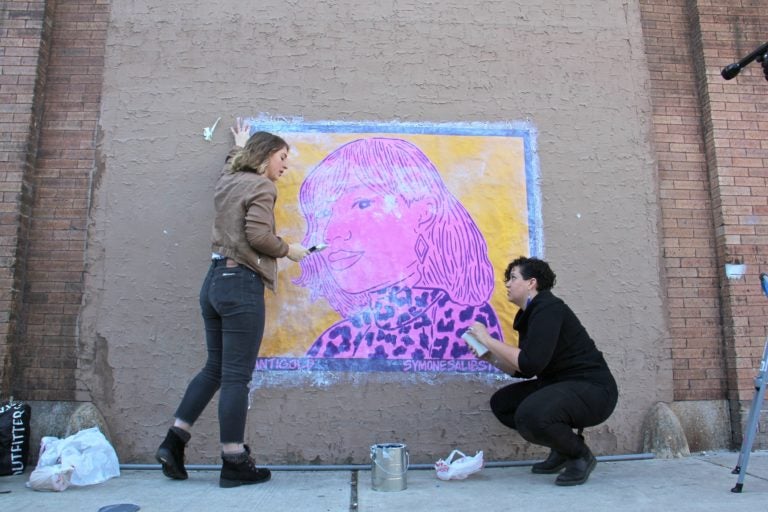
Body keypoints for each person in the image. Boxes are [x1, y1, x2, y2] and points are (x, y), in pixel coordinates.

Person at [155, 118, 309, 488]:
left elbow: (229, 168)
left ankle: (173, 441)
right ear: (266, 157)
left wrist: (238, 146)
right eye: (282, 157)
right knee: (236, 377)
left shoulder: (229, 182)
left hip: (213, 284)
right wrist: (290, 250)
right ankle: (234, 459)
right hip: (240, 285)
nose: (285, 166)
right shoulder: (261, 186)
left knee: (215, 369)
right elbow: (257, 234)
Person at [294, 137, 503, 361]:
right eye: (324, 214)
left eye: (362, 204)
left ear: (424, 212)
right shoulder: (339, 340)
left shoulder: (462, 319)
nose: (331, 232)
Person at [467, 256, 618, 486]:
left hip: (594, 390)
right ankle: (561, 448)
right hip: (562, 387)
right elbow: (524, 370)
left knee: (531, 413)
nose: (507, 284)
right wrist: (488, 356)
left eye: (513, 278)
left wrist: (487, 339)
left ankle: (579, 455)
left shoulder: (548, 308)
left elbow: (529, 363)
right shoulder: (530, 314)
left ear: (531, 283)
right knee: (504, 404)